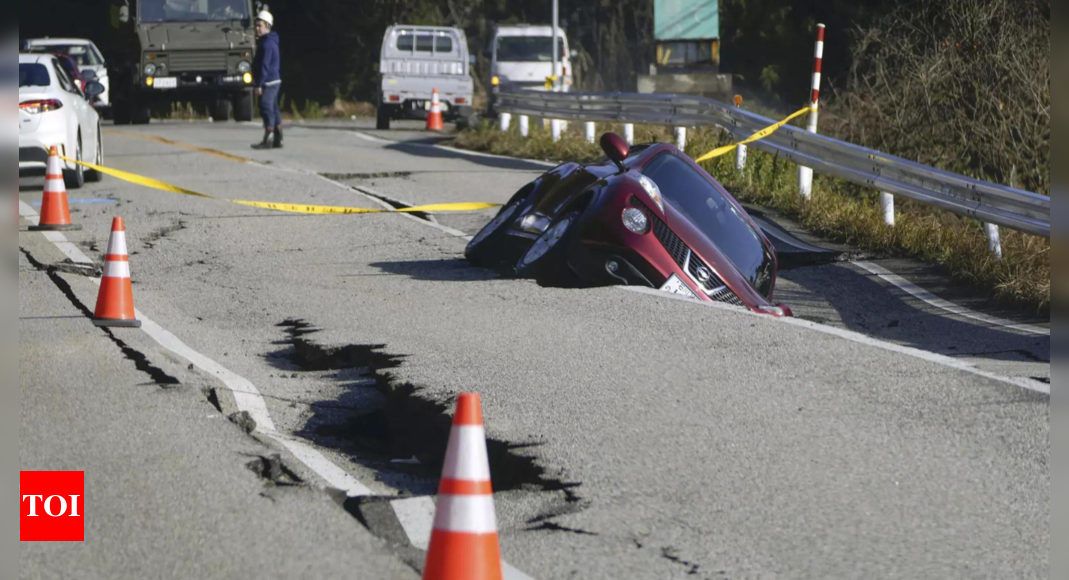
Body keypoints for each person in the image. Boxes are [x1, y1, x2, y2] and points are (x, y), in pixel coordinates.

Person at [251, 10, 282, 149]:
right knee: (274, 108)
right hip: (274, 80)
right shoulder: (268, 41)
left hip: (269, 81)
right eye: (256, 26)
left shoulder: (267, 44)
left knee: (265, 106)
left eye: (260, 26)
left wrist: (259, 84)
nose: (257, 28)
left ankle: (269, 138)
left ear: (268, 26)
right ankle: (278, 138)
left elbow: (264, 65)